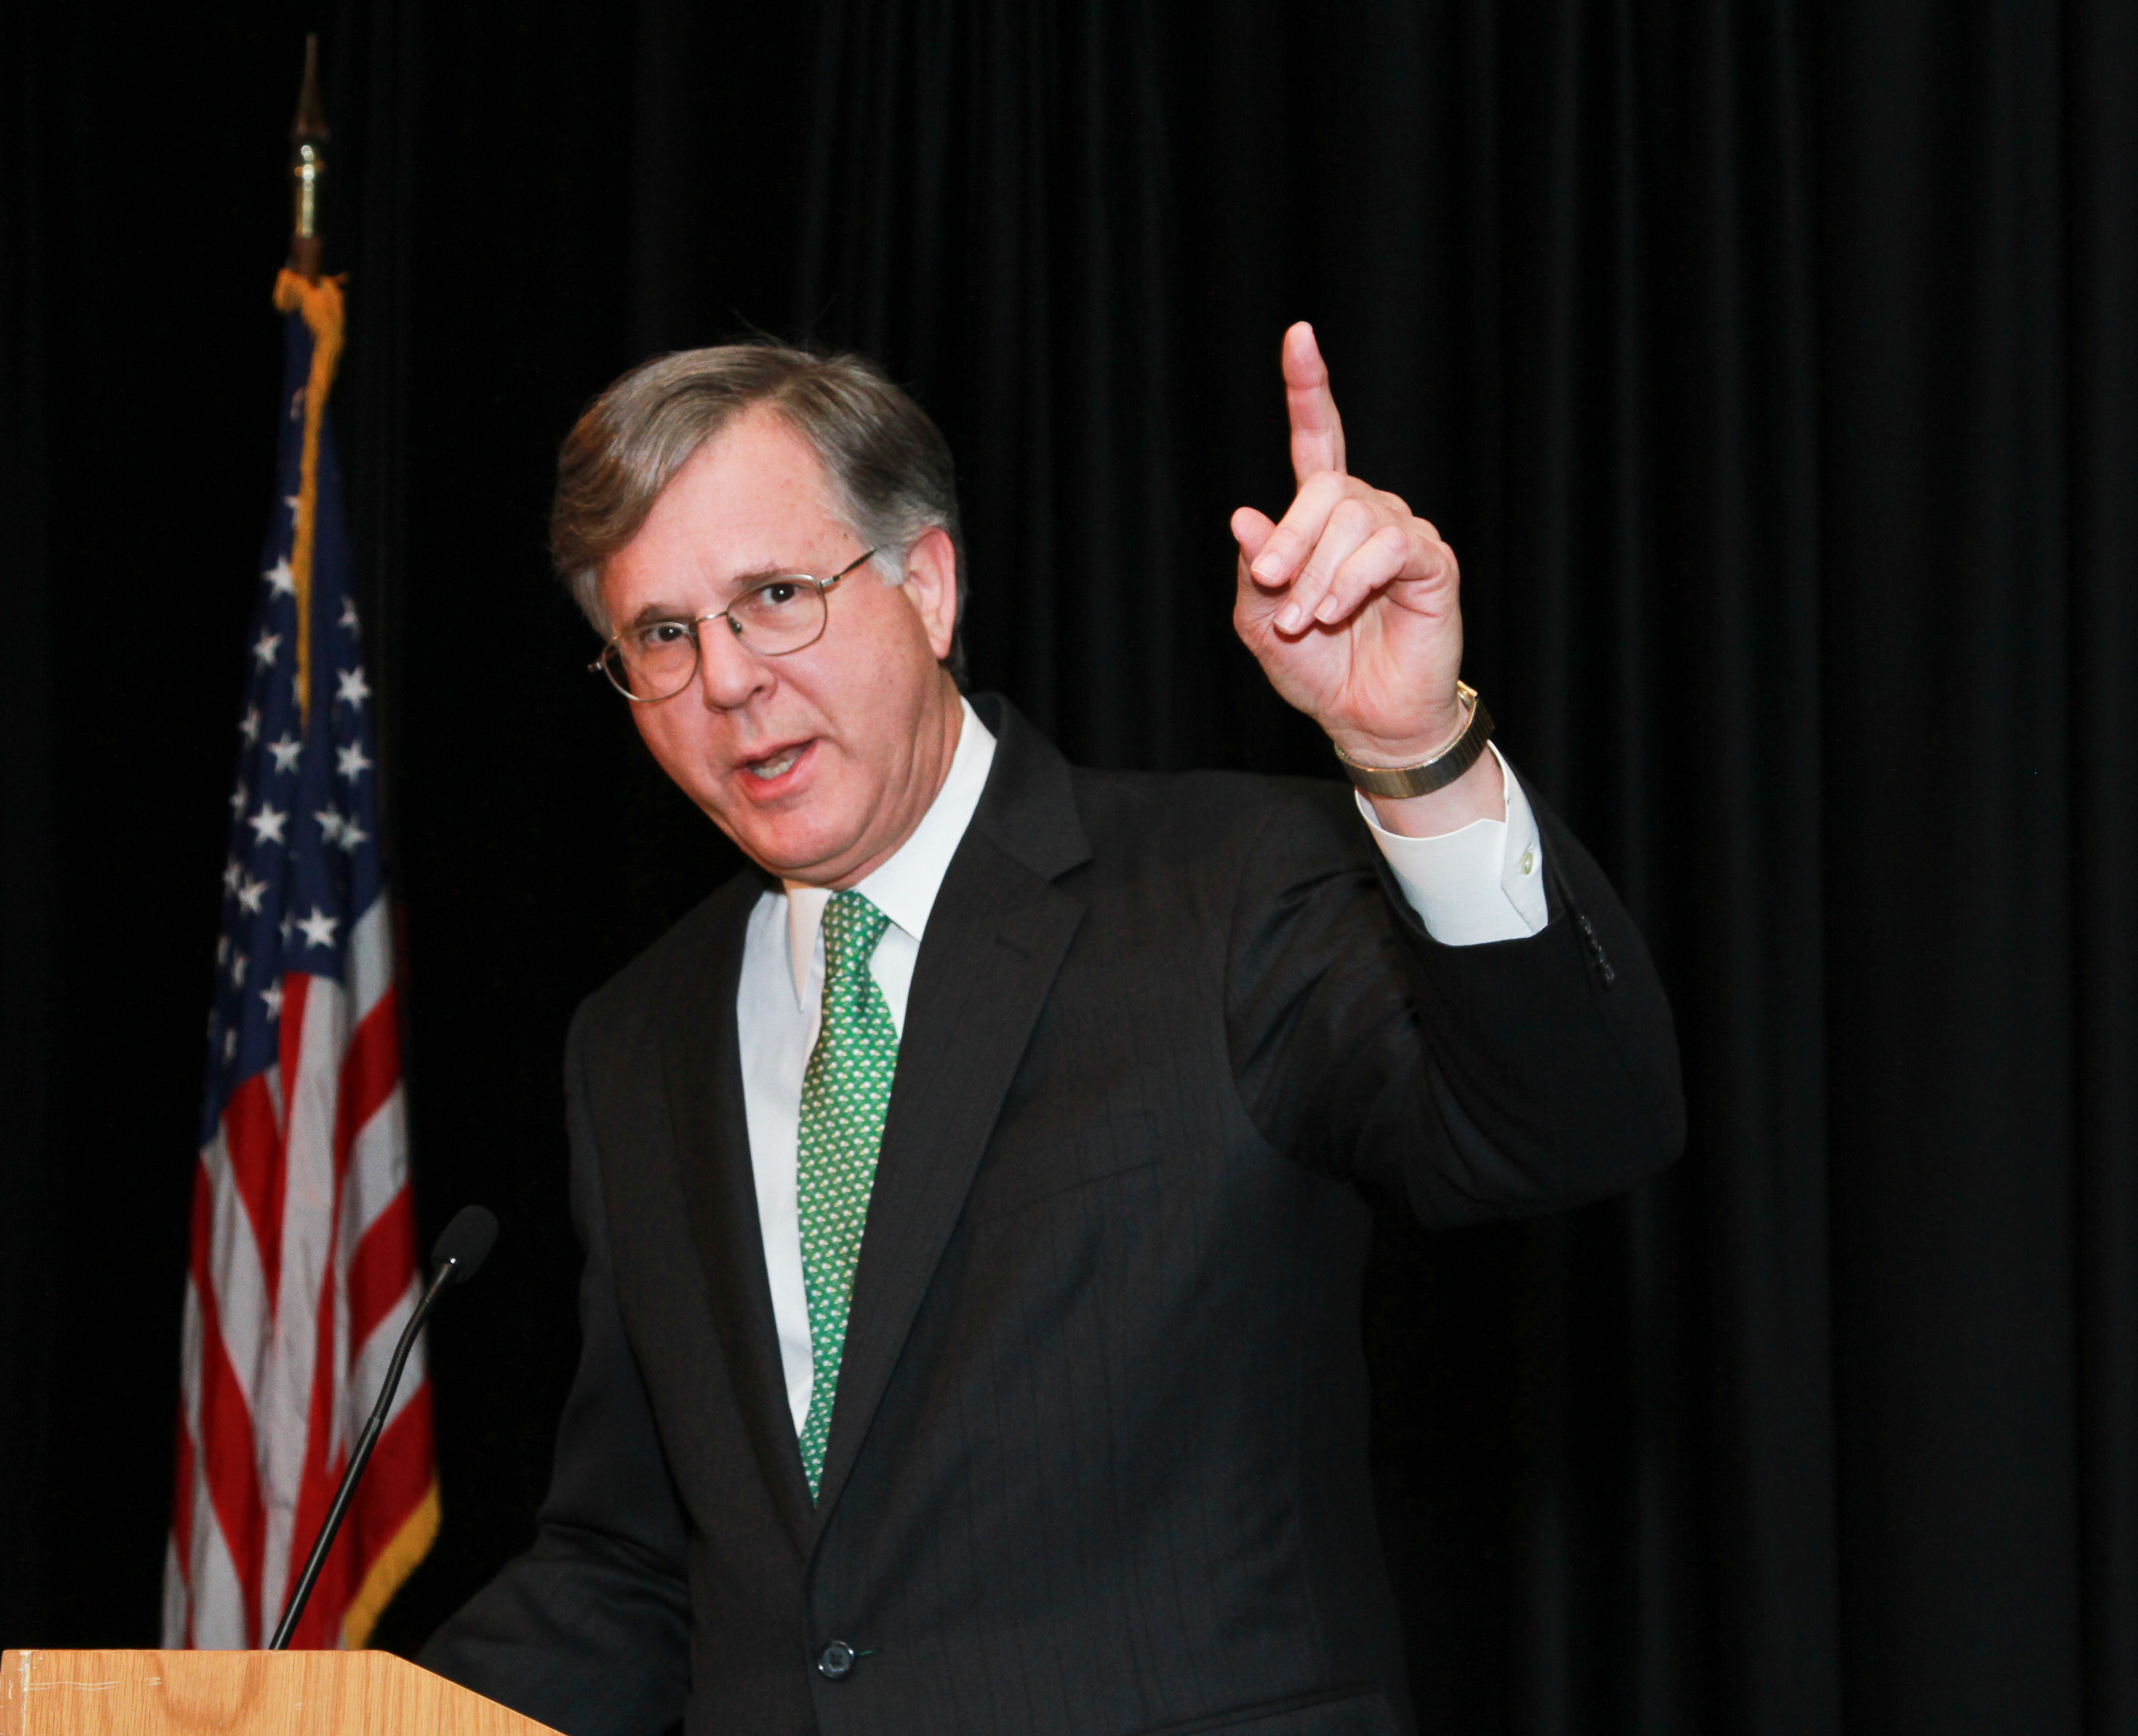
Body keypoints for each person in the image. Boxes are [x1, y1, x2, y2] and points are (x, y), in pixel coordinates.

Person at [417, 326, 1683, 1736]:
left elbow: (1571, 1126)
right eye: (663, 634)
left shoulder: (1223, 894)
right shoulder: (635, 1039)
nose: (726, 680)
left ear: (928, 585)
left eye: (775, 597)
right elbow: (639, 1567)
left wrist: (1416, 753)